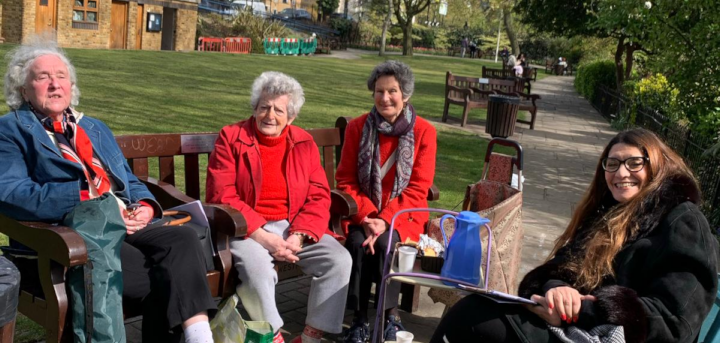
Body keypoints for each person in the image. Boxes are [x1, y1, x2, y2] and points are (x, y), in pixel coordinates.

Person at [0, 39, 216, 342]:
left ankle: (200, 337)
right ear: (24, 90)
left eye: (61, 76)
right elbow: (12, 193)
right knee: (163, 275)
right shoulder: (11, 130)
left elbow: (128, 178)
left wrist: (146, 205)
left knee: (183, 238)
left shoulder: (94, 127)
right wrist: (89, 199)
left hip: (126, 220)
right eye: (42, 77)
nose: (54, 84)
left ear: (71, 85)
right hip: (71, 234)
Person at [431, 128, 719, 343]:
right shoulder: (610, 213)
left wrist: (582, 310)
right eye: (612, 163)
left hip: (613, 336)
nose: (621, 173)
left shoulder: (683, 221)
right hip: (576, 327)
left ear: (656, 164)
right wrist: (556, 289)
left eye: (633, 163)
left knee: (475, 322)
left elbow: (675, 321)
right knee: (474, 311)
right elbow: (561, 267)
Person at [206, 71, 352, 343]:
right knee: (258, 270)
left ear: (292, 116)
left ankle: (311, 337)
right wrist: (263, 236)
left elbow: (319, 195)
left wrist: (299, 234)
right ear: (255, 108)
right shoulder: (231, 137)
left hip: (293, 226)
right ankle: (272, 335)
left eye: (278, 109)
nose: (269, 115)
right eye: (264, 107)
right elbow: (221, 193)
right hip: (244, 228)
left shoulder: (303, 142)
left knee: (339, 260)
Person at [336, 60, 437, 343]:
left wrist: (385, 219)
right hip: (363, 214)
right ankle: (358, 320)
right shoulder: (358, 128)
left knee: (386, 245)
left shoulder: (425, 132)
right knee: (356, 243)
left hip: (404, 215)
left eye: (392, 91)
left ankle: (390, 317)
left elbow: (419, 188)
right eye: (379, 91)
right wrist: (369, 216)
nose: (385, 98)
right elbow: (344, 180)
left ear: (405, 95)